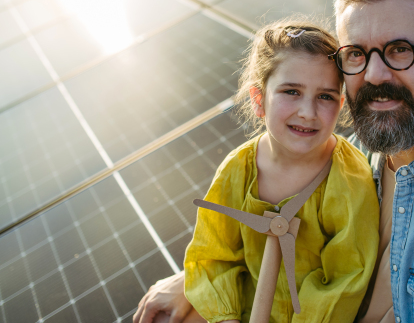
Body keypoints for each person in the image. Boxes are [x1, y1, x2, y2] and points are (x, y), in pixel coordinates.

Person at [134, 0, 414, 323]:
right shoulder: (357, 148)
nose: (376, 74)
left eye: (400, 50)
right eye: (357, 54)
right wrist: (191, 281)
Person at [136, 16, 380, 323]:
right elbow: (215, 253)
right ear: (258, 99)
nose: (308, 112)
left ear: (341, 103)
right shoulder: (239, 168)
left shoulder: (348, 177)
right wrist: (226, 317)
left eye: (325, 97)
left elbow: (347, 277)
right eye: (291, 91)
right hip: (245, 306)